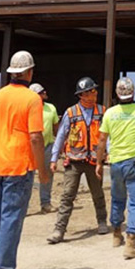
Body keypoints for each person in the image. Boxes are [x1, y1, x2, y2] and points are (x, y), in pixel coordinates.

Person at [0, 50, 51, 269]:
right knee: (12, 219)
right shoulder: (32, 100)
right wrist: (43, 171)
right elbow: (35, 138)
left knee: (1, 219)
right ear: (30, 72)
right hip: (19, 165)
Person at [95, 77, 135, 259]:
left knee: (117, 199)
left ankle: (116, 234)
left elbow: (101, 141)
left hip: (115, 163)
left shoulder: (110, 114)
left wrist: (99, 162)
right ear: (133, 92)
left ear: (116, 93)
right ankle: (131, 241)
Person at [47, 76, 108, 244]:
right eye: (90, 92)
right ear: (82, 95)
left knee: (98, 194)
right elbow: (61, 136)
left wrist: (107, 154)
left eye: (94, 91)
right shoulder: (71, 113)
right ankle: (59, 229)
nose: (93, 95)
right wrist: (54, 158)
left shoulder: (102, 112)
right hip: (74, 160)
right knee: (67, 195)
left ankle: (102, 221)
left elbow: (107, 136)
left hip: (94, 161)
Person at [29, 82, 59, 214]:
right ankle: (23, 204)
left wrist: (59, 144)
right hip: (30, 147)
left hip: (47, 146)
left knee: (47, 174)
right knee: (26, 176)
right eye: (42, 92)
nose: (45, 93)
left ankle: (45, 203)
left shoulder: (51, 108)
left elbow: (56, 127)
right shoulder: (28, 108)